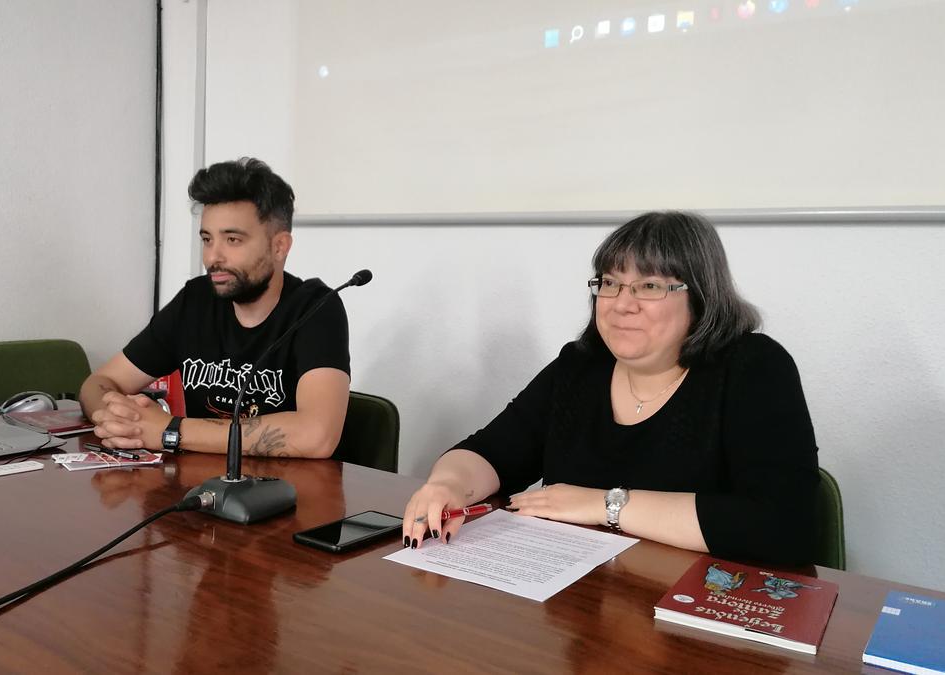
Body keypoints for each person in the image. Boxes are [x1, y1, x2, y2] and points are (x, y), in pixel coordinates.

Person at [402, 211, 820, 565]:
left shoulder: (753, 366)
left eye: (651, 286)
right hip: (581, 600)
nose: (622, 302)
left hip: (697, 622)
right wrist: (448, 485)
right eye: (610, 282)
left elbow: (784, 525)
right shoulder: (582, 364)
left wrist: (603, 505)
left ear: (701, 296)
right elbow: (492, 451)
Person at [79, 157, 351, 458]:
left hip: (285, 494)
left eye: (232, 239)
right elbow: (100, 382)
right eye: (207, 239)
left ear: (279, 246)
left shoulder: (316, 308)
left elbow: (317, 435)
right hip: (200, 488)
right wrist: (117, 419)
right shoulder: (196, 300)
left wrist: (170, 430)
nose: (212, 257)